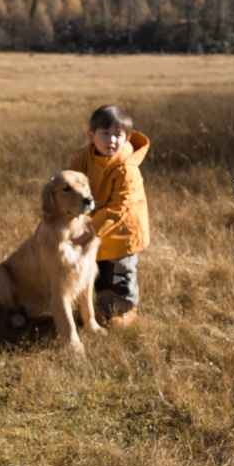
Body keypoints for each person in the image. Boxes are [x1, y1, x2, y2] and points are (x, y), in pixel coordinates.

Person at [68, 105, 149, 327]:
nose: (111, 140)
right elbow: (72, 185)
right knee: (99, 271)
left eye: (118, 135)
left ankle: (125, 309)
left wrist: (91, 230)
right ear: (91, 136)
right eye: (105, 133)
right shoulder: (84, 159)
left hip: (123, 232)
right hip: (95, 229)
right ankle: (104, 307)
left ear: (127, 138)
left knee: (120, 273)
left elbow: (119, 206)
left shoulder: (126, 167)